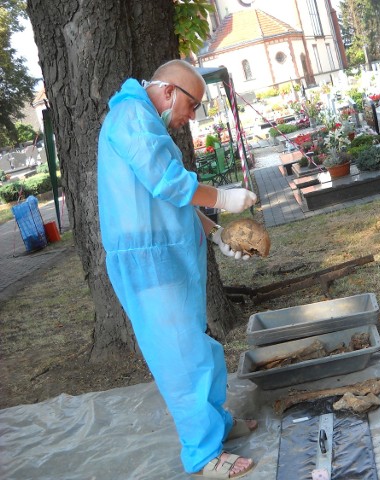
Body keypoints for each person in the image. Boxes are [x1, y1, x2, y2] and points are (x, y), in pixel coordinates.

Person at [97, 59, 258, 478]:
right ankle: (203, 455)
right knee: (179, 358)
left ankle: (216, 427)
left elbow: (168, 201)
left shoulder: (143, 119)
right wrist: (222, 198)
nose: (190, 119)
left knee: (195, 346)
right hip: (148, 263)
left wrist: (216, 233)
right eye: (192, 106)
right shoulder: (130, 116)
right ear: (170, 92)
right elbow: (169, 182)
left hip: (165, 256)